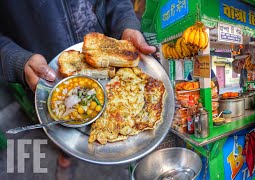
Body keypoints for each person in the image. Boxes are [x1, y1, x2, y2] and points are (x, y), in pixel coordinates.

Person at [0, 0, 155, 177]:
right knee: (61, 127)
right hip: (48, 77)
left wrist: (125, 23)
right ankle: (65, 157)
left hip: (106, 55)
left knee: (82, 129)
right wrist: (17, 61)